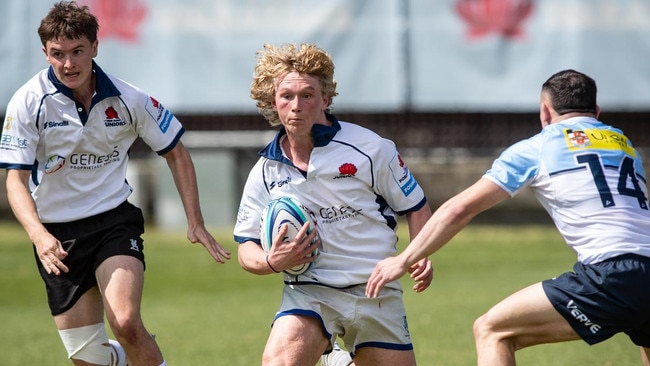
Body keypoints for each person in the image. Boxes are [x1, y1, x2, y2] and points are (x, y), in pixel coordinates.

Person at [365, 69, 650, 366]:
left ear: (544, 111)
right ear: (597, 112)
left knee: (492, 330)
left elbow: (459, 208)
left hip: (612, 274)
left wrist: (403, 259)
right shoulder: (623, 145)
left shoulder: (539, 146)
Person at [0, 2, 231, 365]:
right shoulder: (28, 102)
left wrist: (195, 220)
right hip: (57, 236)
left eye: (78, 52)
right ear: (45, 53)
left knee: (125, 321)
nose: (68, 64)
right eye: (58, 54)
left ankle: (133, 346)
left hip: (113, 221)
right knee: (88, 358)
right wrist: (38, 235)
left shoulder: (130, 98)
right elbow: (15, 180)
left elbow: (177, 152)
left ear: (95, 46)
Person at [233, 43, 434, 366]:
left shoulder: (371, 149)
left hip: (375, 288)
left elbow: (415, 205)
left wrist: (419, 254)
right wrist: (272, 261)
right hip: (310, 291)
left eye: (307, 96)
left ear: (325, 99)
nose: (296, 106)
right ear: (273, 102)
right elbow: (246, 247)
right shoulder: (266, 171)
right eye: (287, 97)